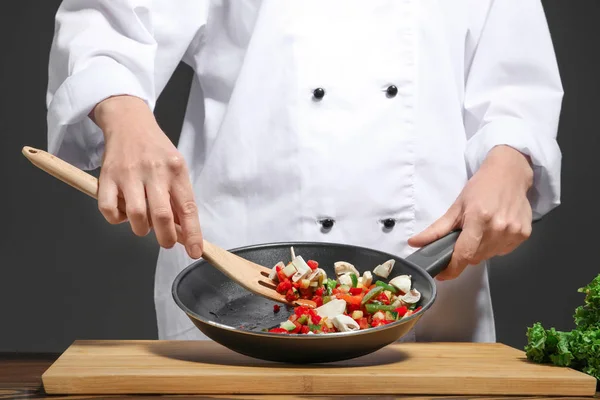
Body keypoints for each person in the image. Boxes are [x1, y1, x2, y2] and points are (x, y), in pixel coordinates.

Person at [46, 0, 563, 343]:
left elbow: (516, 84)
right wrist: (122, 111)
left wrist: (510, 161)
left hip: (431, 290)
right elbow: (106, 23)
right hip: (242, 291)